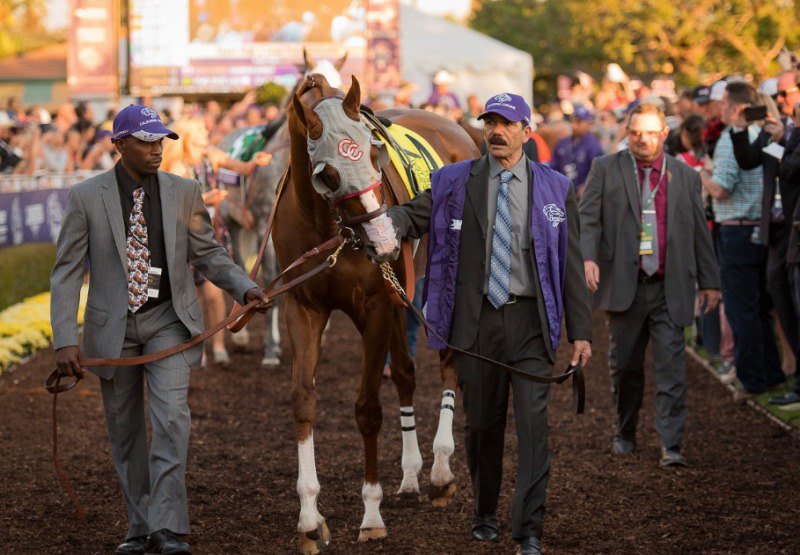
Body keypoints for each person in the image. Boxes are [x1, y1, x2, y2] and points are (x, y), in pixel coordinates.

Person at [50, 104, 271, 555]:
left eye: (161, 141)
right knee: (125, 430)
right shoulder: (86, 197)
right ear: (119, 143)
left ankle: (168, 528)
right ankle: (139, 526)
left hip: (170, 320)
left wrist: (245, 288)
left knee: (171, 420)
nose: (157, 150)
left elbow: (209, 255)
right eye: (146, 141)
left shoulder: (185, 191)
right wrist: (64, 340)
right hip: (112, 330)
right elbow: (66, 272)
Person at [387, 93, 593, 555]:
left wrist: (580, 332)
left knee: (534, 427)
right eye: (490, 123)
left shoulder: (556, 188)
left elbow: (570, 264)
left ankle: (529, 529)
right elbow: (411, 215)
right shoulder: (453, 181)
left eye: (507, 123)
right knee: (482, 426)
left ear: (526, 130)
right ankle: (484, 513)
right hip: (476, 325)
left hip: (531, 322)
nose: (497, 131)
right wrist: (381, 223)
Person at [580, 102, 720, 466]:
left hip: (669, 284)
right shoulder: (605, 168)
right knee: (625, 367)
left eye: (650, 133)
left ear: (663, 134)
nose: (642, 139)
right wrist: (587, 258)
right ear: (627, 133)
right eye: (635, 132)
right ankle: (625, 431)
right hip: (625, 285)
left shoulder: (684, 176)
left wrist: (710, 281)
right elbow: (588, 219)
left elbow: (698, 233)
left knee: (672, 368)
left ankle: (671, 444)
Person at [700, 82, 785, 400]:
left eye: (723, 103)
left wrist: (701, 175)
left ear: (736, 108)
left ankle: (752, 380)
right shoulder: (765, 135)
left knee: (741, 309)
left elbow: (721, 188)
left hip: (735, 228)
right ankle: (772, 374)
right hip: (761, 227)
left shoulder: (728, 139)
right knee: (759, 308)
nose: (720, 108)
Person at [549, 105, 604, 198]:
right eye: (573, 121)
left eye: (578, 122)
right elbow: (553, 167)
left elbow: (597, 173)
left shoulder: (594, 146)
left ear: (588, 123)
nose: (574, 125)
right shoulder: (562, 143)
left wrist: (587, 185)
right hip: (561, 193)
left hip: (583, 197)